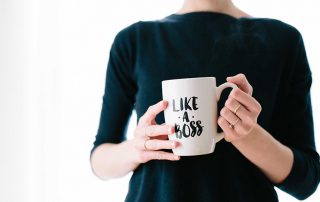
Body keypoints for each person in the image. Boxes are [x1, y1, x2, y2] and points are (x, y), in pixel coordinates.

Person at [89, 0, 320, 201]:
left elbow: (306, 181)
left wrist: (248, 136)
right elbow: (99, 160)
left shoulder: (283, 41)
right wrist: (137, 148)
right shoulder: (134, 41)